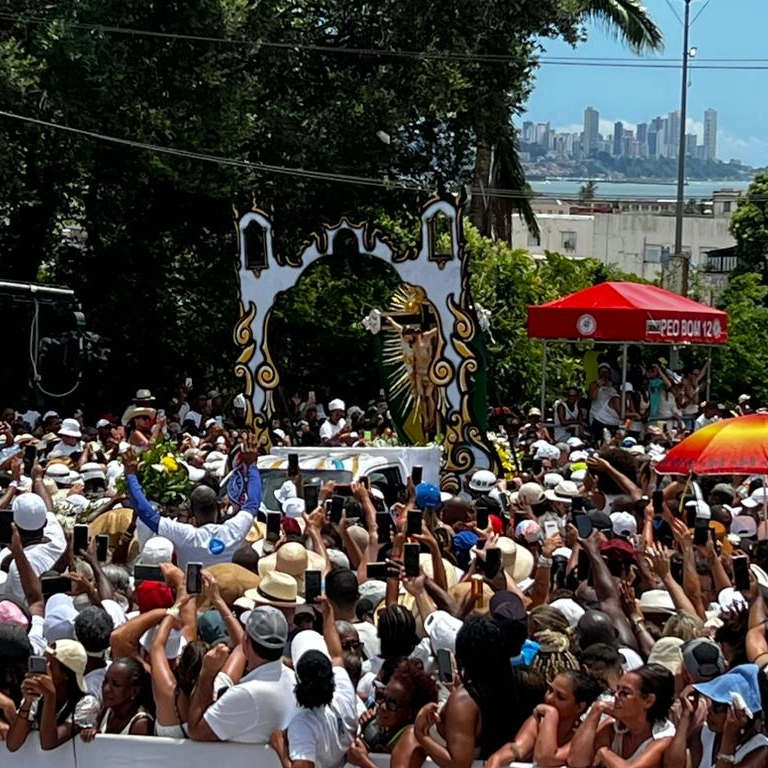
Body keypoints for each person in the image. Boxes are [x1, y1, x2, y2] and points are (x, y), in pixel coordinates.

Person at [123, 433, 262, 568]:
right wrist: (251, 465)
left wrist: (131, 476)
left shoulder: (185, 536)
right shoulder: (234, 530)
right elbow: (253, 503)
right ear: (218, 507)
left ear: (191, 513)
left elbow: (146, 514)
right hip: (226, 590)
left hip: (191, 592)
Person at [412, 617, 519, 767]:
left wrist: (420, 734)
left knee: (408, 737)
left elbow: (459, 764)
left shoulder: (464, 699)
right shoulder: (511, 684)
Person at [187, 605, 297, 743]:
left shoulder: (247, 694)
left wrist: (207, 673)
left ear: (246, 641)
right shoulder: (292, 679)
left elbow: (196, 731)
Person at [269, 601, 358, 768]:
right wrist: (328, 614)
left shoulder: (302, 724)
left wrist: (280, 748)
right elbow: (337, 655)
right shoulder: (344, 693)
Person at [486, 671, 603, 767]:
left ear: (580, 707)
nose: (549, 698)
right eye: (550, 690)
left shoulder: (584, 735)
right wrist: (497, 759)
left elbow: (546, 760)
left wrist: (551, 714)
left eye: (560, 697)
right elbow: (516, 748)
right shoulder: (537, 722)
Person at [568, 664, 675, 768]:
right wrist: (597, 710)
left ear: (648, 701)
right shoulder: (613, 727)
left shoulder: (663, 738)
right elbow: (576, 761)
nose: (616, 695)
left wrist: (603, 751)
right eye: (617, 690)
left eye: (624, 693)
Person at [666, 664, 768, 768]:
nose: (709, 710)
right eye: (711, 702)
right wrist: (686, 715)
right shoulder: (702, 735)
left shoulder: (761, 751)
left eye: (718, 707)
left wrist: (729, 739)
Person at [348, 659, 439, 768]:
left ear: (410, 712)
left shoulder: (411, 735)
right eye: (381, 697)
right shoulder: (387, 730)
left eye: (392, 704)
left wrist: (363, 761)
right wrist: (365, 730)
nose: (382, 707)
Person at [6, 639, 88, 751]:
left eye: (50, 666)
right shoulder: (37, 696)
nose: (44, 670)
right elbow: (12, 744)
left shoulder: (86, 704)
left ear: (66, 674)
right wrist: (27, 701)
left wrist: (50, 696)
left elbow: (48, 743)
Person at [80, 657, 154, 739]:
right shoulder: (106, 710)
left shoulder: (141, 724)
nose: (106, 689)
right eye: (105, 681)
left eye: (116, 685)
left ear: (134, 691)